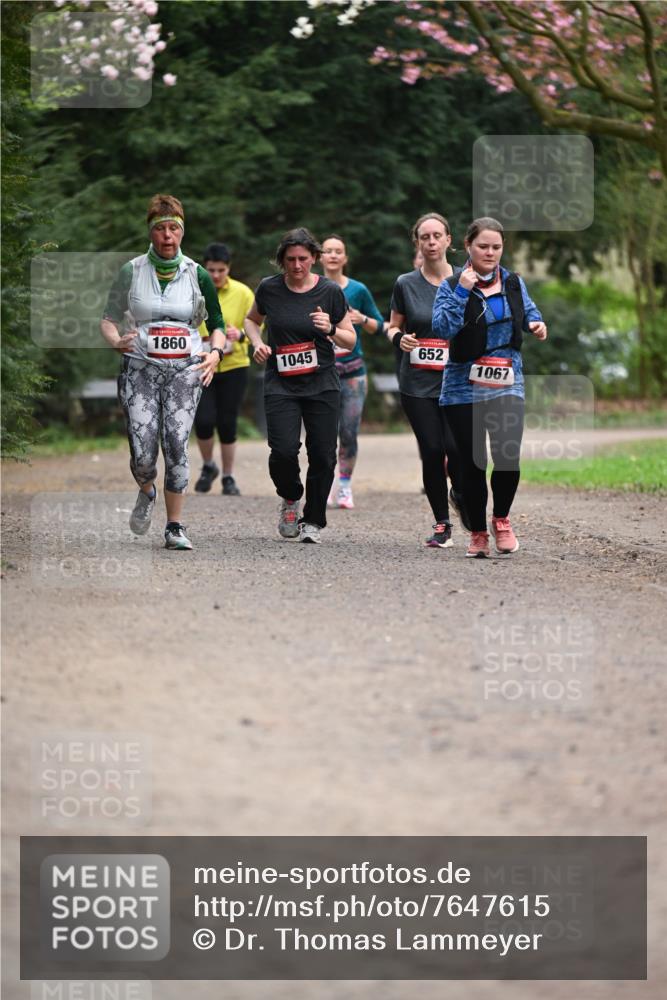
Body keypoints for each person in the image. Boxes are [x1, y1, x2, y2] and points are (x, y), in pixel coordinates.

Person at [101, 194, 225, 550]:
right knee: (142, 452)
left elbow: (216, 324)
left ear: (182, 233)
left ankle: (175, 526)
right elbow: (108, 319)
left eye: (174, 229)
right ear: (151, 232)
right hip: (140, 367)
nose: (168, 236)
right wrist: (114, 341)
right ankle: (146, 488)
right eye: (161, 229)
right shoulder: (132, 270)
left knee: (175, 443)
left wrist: (215, 353)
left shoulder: (197, 273)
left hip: (186, 369)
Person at [432, 216, 548, 558]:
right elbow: (441, 328)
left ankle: (501, 520)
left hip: (507, 379)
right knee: (471, 463)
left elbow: (528, 312)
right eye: (483, 246)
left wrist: (536, 323)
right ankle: (479, 533)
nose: (490, 252)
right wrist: (463, 290)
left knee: (507, 456)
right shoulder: (450, 285)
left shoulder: (513, 282)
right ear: (467, 246)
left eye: (496, 247)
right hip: (462, 385)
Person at [243, 228, 356, 544]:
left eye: (303, 259)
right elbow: (252, 320)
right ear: (281, 260)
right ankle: (291, 497)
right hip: (281, 383)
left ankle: (314, 520)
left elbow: (350, 337)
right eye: (290, 259)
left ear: (315, 259)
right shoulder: (269, 288)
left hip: (321, 383)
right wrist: (256, 343)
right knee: (282, 451)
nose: (296, 265)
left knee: (322, 454)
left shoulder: (330, 292)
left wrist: (331, 328)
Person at [387, 212, 468, 548]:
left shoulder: (468, 279)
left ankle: (460, 494)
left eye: (437, 236)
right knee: (433, 450)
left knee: (458, 451)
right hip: (418, 383)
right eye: (425, 237)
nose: (431, 242)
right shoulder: (406, 283)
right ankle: (441, 524)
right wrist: (398, 339)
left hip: (459, 382)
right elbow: (393, 325)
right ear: (417, 243)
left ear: (449, 241)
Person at [320, 234, 385, 509]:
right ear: (320, 257)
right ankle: (322, 484)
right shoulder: (312, 287)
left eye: (338, 251)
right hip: (322, 371)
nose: (333, 255)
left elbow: (381, 326)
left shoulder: (358, 290)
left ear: (345, 258)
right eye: (328, 251)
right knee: (322, 434)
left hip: (353, 372)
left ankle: (344, 486)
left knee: (348, 432)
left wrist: (362, 319)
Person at [193, 243, 255, 496]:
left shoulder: (243, 293)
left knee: (228, 422)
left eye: (221, 270)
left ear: (229, 268)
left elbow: (256, 327)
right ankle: (208, 466)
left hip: (234, 365)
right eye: (211, 270)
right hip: (200, 364)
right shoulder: (193, 291)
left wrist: (239, 334)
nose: (216, 275)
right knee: (204, 420)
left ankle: (228, 476)